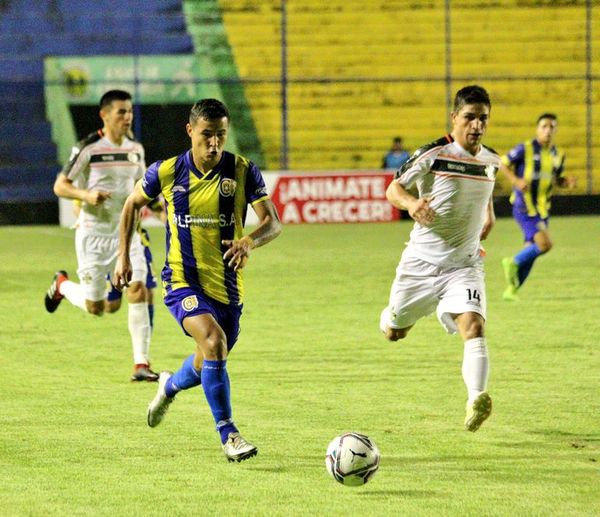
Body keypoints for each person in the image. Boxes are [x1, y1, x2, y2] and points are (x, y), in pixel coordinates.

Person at [114, 98, 282, 462]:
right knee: (213, 340)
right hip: (182, 281)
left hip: (227, 288)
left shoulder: (242, 171)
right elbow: (131, 205)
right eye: (207, 135)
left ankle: (169, 386)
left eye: (221, 135)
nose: (214, 143)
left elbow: (273, 222)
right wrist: (123, 255)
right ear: (190, 131)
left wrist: (248, 241)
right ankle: (230, 435)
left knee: (208, 357)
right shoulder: (168, 171)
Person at [379, 85, 500, 432]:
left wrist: (486, 219)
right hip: (420, 264)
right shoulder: (433, 153)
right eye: (470, 117)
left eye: (483, 118)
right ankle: (391, 316)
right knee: (395, 331)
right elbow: (393, 189)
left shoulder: (491, 162)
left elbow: (484, 201)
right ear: (454, 118)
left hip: (463, 266)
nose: (477, 125)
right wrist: (413, 204)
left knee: (474, 327)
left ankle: (476, 397)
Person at [44, 90, 158, 382]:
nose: (127, 117)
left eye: (129, 111)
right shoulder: (89, 147)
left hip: (127, 234)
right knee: (97, 308)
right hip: (93, 236)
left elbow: (141, 189)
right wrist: (86, 194)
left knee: (139, 289)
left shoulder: (136, 149)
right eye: (121, 112)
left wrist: (162, 208)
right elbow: (60, 185)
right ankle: (62, 285)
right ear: (104, 115)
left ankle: (141, 364)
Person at [500, 113, 574, 301]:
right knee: (545, 244)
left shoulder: (558, 155)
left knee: (532, 251)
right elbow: (502, 163)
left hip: (543, 209)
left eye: (552, 127)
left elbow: (556, 179)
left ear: (555, 130)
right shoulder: (525, 149)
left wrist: (566, 182)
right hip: (524, 206)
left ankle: (512, 290)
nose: (548, 130)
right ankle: (513, 261)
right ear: (537, 128)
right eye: (544, 126)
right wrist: (515, 180)